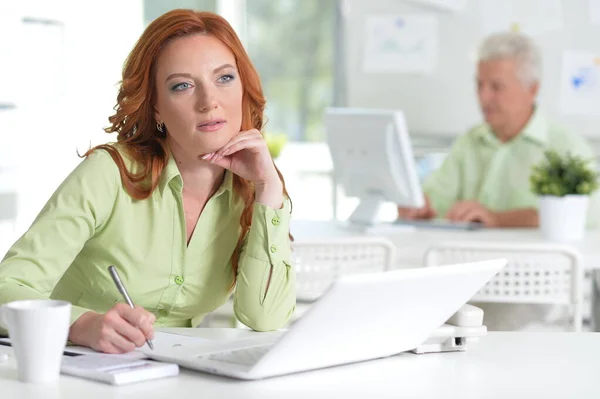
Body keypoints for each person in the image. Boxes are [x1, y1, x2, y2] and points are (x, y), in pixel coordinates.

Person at [0, 10, 296, 353]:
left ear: (244, 87)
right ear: (155, 107)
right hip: (71, 366)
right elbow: (8, 286)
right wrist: (83, 325)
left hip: (176, 372)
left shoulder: (255, 193)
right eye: (182, 85)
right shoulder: (109, 173)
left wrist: (270, 191)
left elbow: (265, 318)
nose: (208, 101)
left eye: (224, 78)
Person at [399, 32, 598, 228]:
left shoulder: (567, 148)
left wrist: (497, 219)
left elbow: (588, 215)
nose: (483, 97)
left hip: (533, 260)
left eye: (496, 87)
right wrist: (419, 207)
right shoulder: (469, 141)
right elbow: (437, 199)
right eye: (479, 84)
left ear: (532, 89)